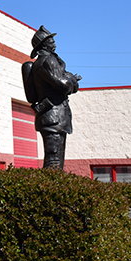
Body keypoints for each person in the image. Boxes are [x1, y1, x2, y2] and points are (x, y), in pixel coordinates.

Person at [24, 26, 81, 169]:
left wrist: (69, 80)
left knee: (56, 158)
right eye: (51, 41)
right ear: (43, 44)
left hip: (53, 117)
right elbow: (64, 85)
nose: (54, 44)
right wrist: (72, 81)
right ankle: (49, 189)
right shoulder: (47, 61)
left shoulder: (47, 61)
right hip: (53, 117)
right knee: (54, 159)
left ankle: (53, 187)